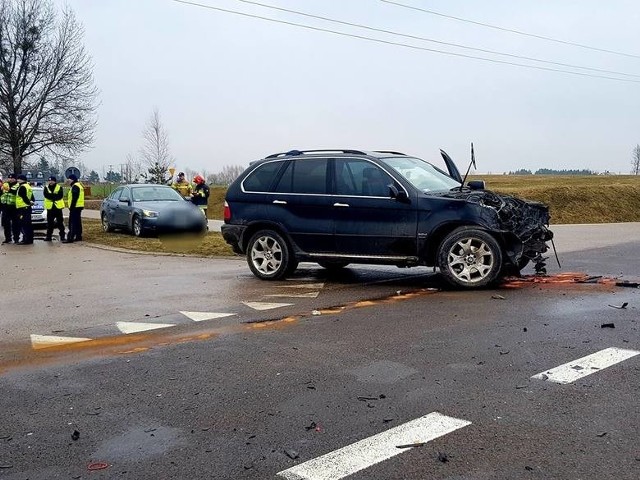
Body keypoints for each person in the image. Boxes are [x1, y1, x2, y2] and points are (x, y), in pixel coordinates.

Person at [42, 176, 66, 242]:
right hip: (50, 208)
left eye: (52, 180)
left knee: (60, 223)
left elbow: (60, 196)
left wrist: (52, 196)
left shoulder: (59, 187)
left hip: (58, 208)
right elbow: (46, 195)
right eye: (49, 180)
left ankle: (63, 237)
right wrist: (54, 196)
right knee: (50, 223)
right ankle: (48, 237)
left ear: (55, 181)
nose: (50, 182)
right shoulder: (46, 188)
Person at [62, 174, 84, 243]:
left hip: (75, 207)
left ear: (72, 179)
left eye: (69, 179)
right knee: (77, 222)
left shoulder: (75, 186)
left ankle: (70, 237)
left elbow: (74, 198)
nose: (68, 181)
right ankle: (78, 236)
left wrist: (71, 207)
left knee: (72, 223)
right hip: (78, 206)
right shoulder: (79, 185)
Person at [0, 173, 20, 244]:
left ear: (15, 179)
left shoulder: (18, 185)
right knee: (6, 224)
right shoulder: (5, 185)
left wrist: (8, 190)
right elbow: (2, 194)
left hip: (14, 207)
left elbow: (16, 193)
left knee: (15, 224)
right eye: (9, 178)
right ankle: (8, 238)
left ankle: (16, 238)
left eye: (12, 178)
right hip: (5, 207)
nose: (10, 179)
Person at [15, 174, 34, 245]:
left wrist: (28, 202)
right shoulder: (28, 186)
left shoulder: (22, 187)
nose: (17, 180)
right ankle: (30, 239)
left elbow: (24, 197)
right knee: (28, 224)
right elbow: (32, 197)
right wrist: (31, 202)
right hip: (27, 208)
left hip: (23, 208)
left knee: (24, 224)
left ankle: (26, 239)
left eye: (19, 179)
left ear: (22, 180)